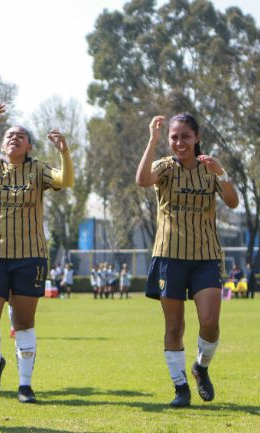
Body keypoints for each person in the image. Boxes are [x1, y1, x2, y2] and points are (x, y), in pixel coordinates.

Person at [0, 103, 74, 404]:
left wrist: (64, 152)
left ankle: (25, 385)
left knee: (23, 322)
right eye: (9, 135)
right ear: (1, 144)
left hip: (30, 255)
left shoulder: (38, 169)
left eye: (21, 136)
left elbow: (65, 181)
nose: (14, 138)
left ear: (30, 145)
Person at [136, 113, 239, 407]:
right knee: (174, 327)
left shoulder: (209, 169)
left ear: (197, 138)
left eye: (185, 136)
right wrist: (153, 138)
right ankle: (180, 387)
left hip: (205, 257)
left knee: (209, 322)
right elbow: (142, 179)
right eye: (174, 137)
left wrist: (221, 173)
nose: (179, 142)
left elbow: (233, 201)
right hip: (169, 256)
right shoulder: (165, 167)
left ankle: (201, 367)